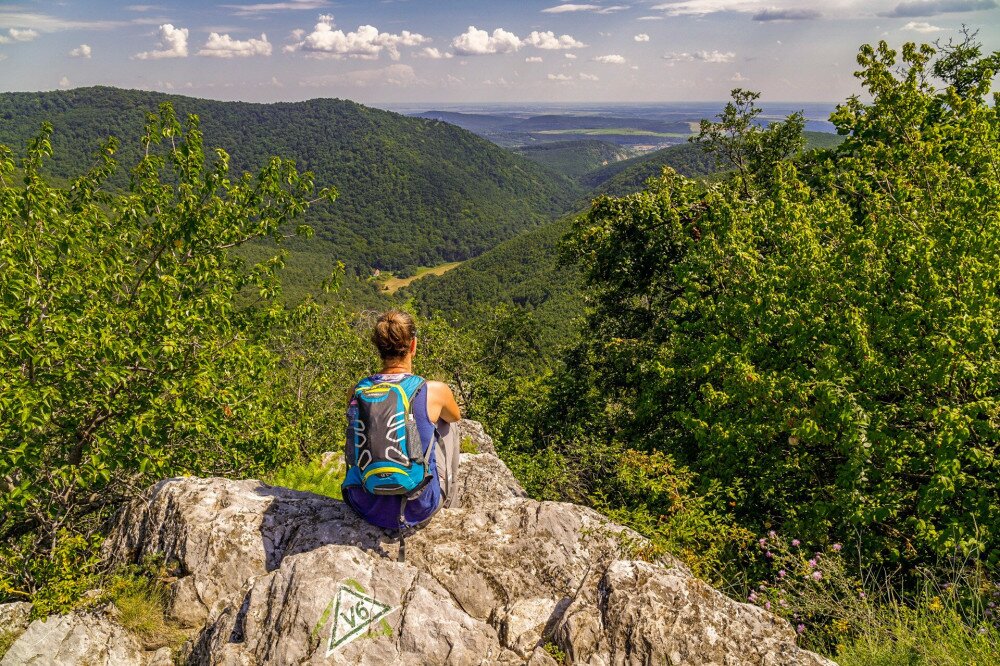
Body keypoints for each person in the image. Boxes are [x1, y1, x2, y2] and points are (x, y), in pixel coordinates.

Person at [341, 310, 462, 535]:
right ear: (413, 345)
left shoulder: (357, 391)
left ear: (378, 348)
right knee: (448, 424)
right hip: (418, 506)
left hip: (365, 505)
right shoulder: (434, 391)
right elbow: (455, 416)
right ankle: (448, 502)